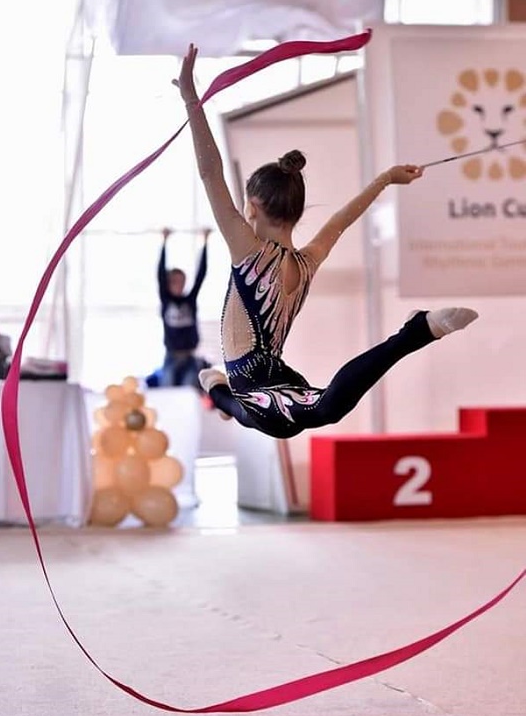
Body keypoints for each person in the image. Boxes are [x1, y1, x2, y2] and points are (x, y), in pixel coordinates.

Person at [173, 44, 478, 438]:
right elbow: (341, 220)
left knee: (283, 412)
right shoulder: (296, 258)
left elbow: (210, 174)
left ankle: (216, 387)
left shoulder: (254, 252)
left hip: (266, 384)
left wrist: (191, 100)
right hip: (262, 387)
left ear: (251, 207)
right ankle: (417, 332)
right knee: (300, 412)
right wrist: (384, 179)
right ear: (297, 210)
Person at [147, 227, 211, 390]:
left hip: (190, 356)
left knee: (189, 390)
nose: (179, 285)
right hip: (171, 355)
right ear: (169, 283)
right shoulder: (166, 299)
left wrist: (205, 243)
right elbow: (160, 274)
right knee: (167, 389)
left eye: (182, 281)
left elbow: (201, 275)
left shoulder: (190, 300)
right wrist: (164, 242)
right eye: (175, 282)